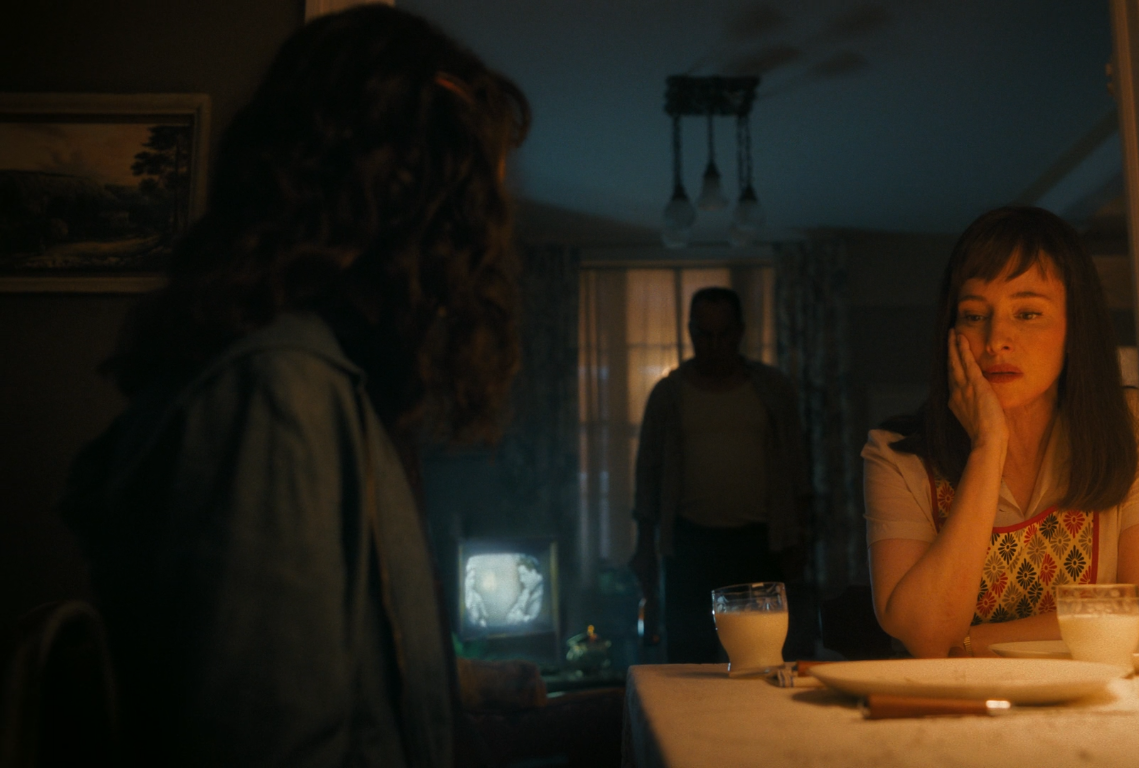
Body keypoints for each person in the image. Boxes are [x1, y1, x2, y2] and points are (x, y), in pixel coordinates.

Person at [60, 6, 528, 765]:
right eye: (464, 202)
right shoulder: (277, 392)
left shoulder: (330, 387)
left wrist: (475, 688)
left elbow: (357, 675)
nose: (477, 244)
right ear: (397, 190)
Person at [863, 207, 1139, 659]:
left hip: (1097, 697)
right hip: (957, 702)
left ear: (1074, 328)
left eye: (1028, 313)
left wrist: (969, 642)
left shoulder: (1132, 424)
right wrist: (987, 447)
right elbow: (923, 632)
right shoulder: (897, 456)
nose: (996, 339)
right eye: (974, 316)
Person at [629, 287, 812, 663]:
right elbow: (647, 474)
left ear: (739, 332)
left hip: (758, 544)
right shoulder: (669, 394)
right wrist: (645, 546)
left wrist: (799, 537)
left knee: (760, 658)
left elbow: (796, 466)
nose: (713, 346)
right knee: (688, 660)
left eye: (723, 334)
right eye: (704, 334)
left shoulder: (772, 390)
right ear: (690, 332)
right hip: (690, 544)